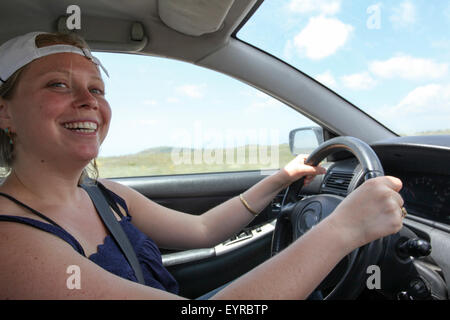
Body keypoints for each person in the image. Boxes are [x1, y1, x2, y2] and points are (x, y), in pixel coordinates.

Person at [0, 31, 405, 300]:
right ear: (5, 114)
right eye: (57, 84)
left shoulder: (104, 195)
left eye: (97, 89)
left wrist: (282, 178)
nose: (89, 101)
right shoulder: (11, 241)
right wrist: (342, 229)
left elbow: (202, 230)